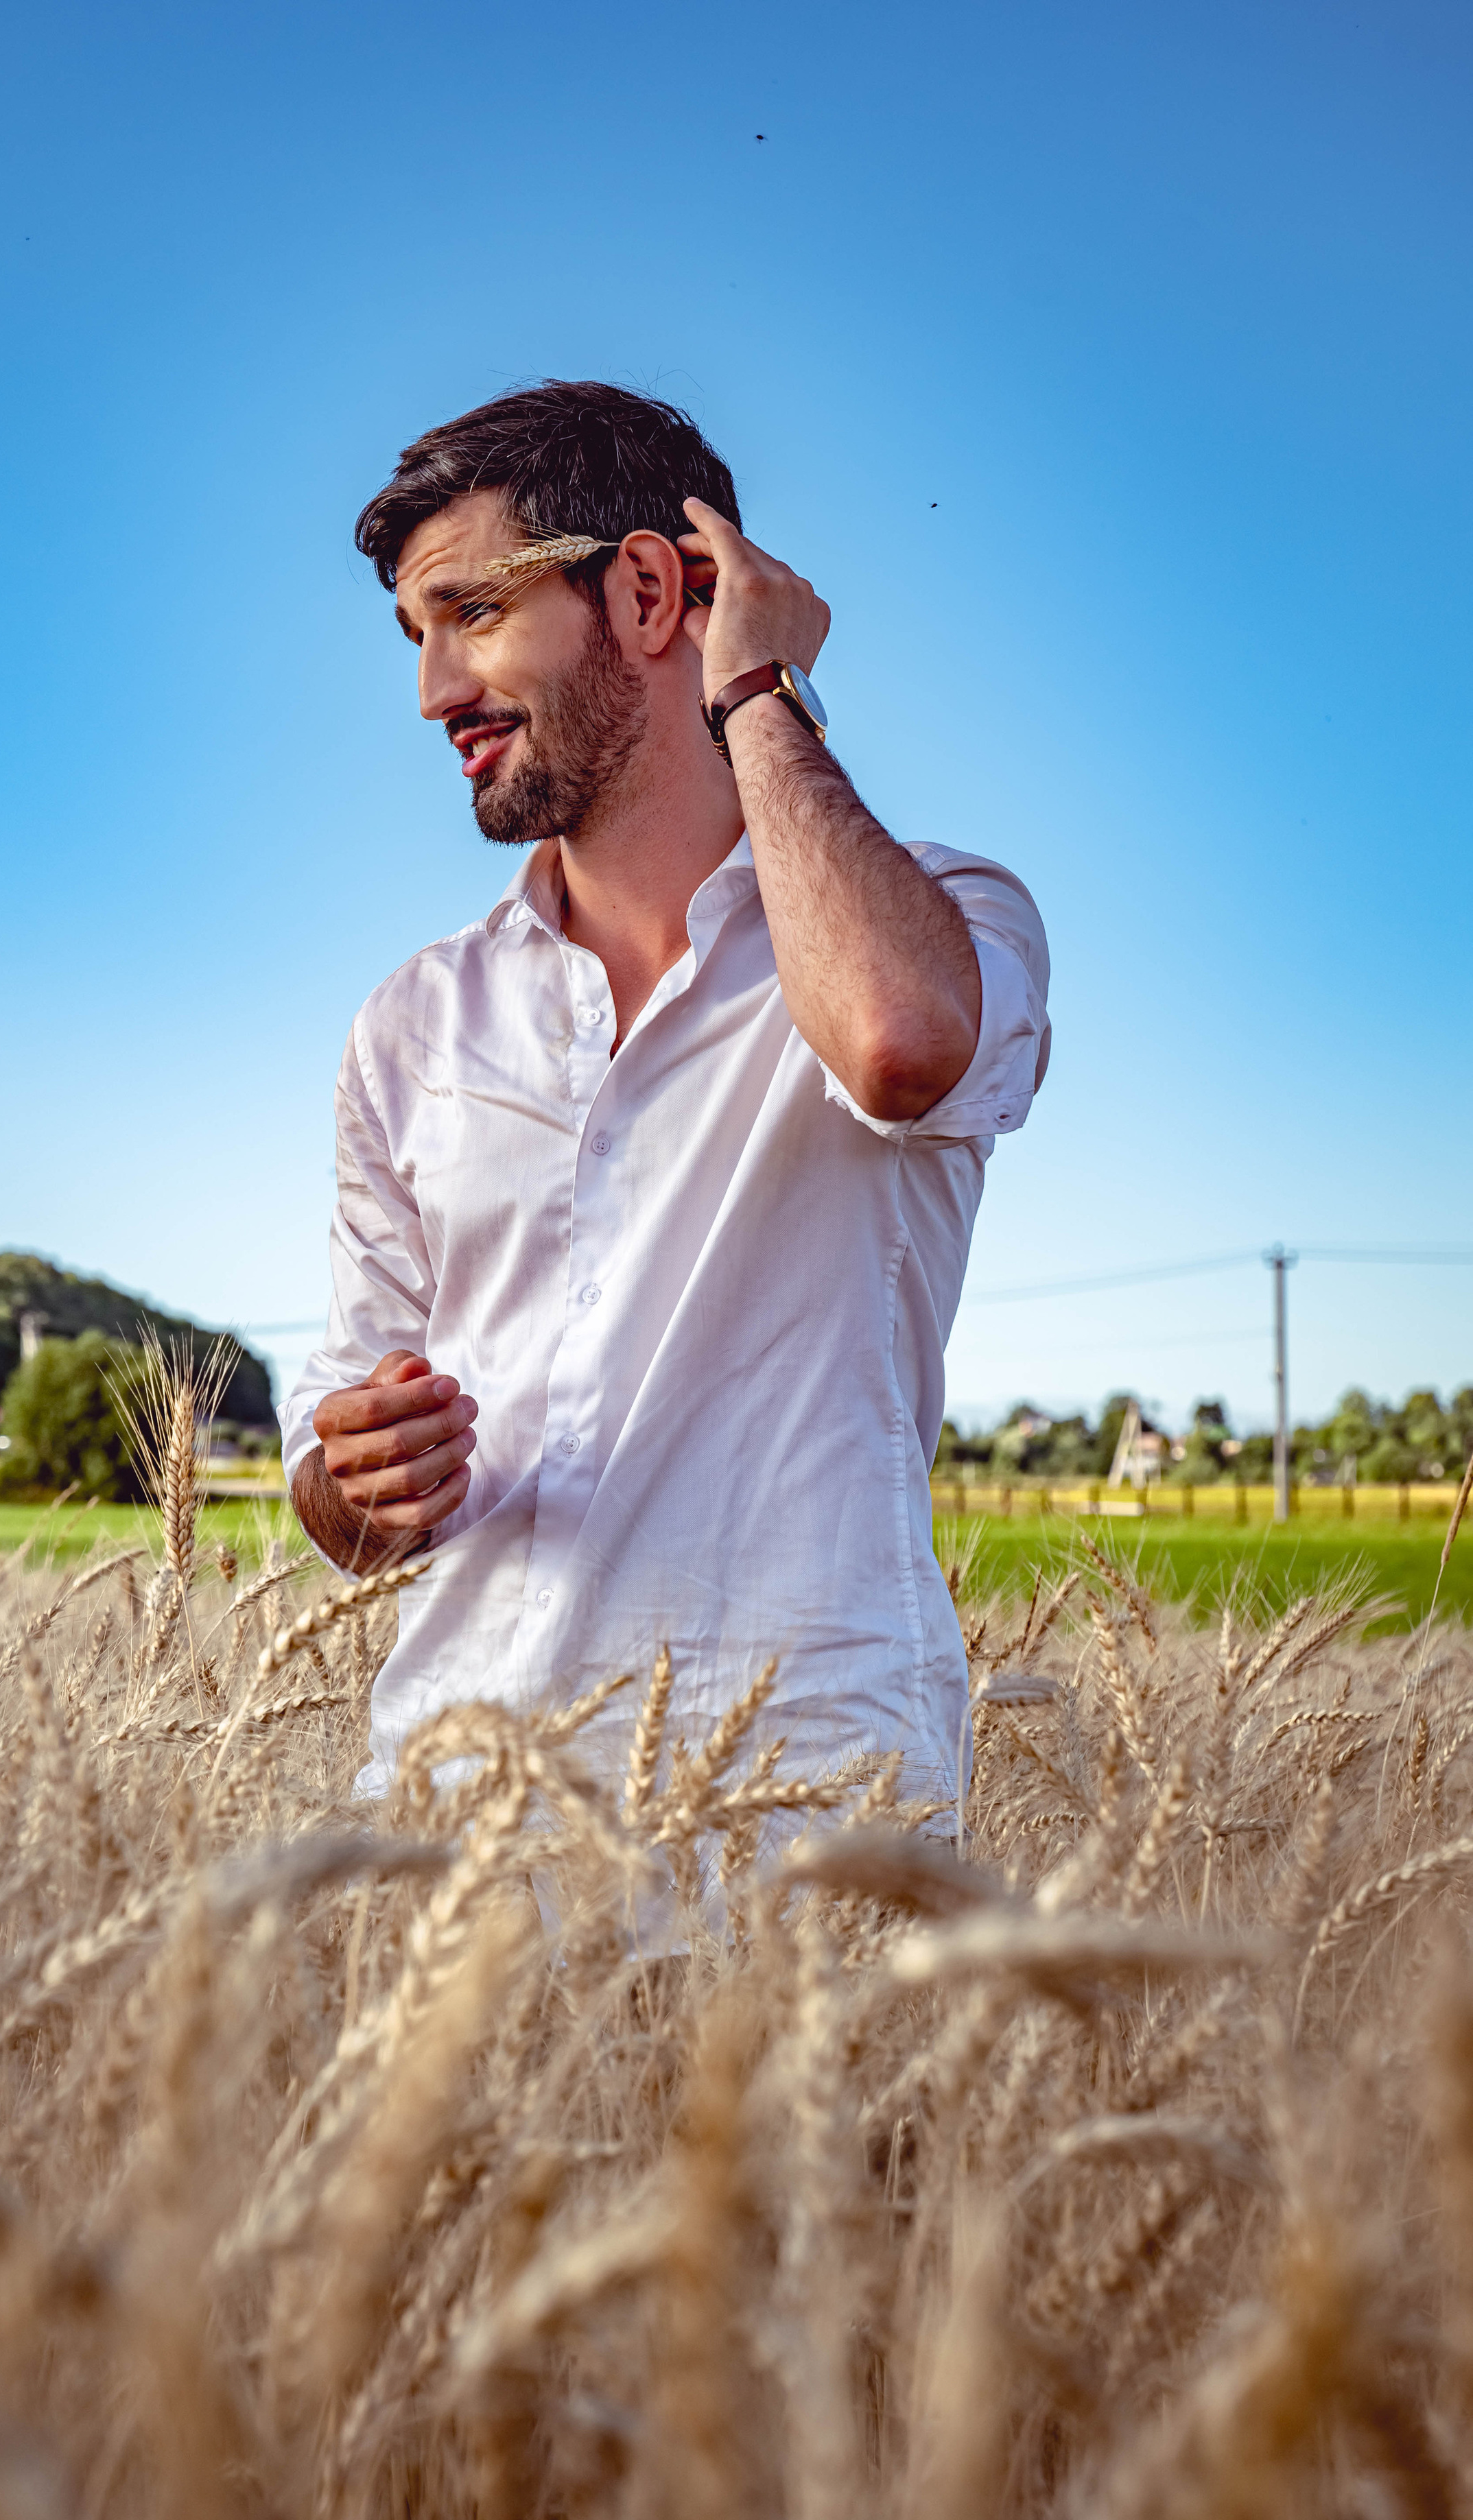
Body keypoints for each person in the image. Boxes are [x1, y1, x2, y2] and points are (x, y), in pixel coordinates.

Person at [280, 381, 1050, 1814]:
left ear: (645, 590)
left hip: (809, 1821)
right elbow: (342, 1494)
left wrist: (756, 690)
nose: (434, 693)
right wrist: (356, 1474)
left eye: (472, 614)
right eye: (414, 637)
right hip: (458, 1828)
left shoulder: (939, 914)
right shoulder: (411, 1025)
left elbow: (895, 1044)